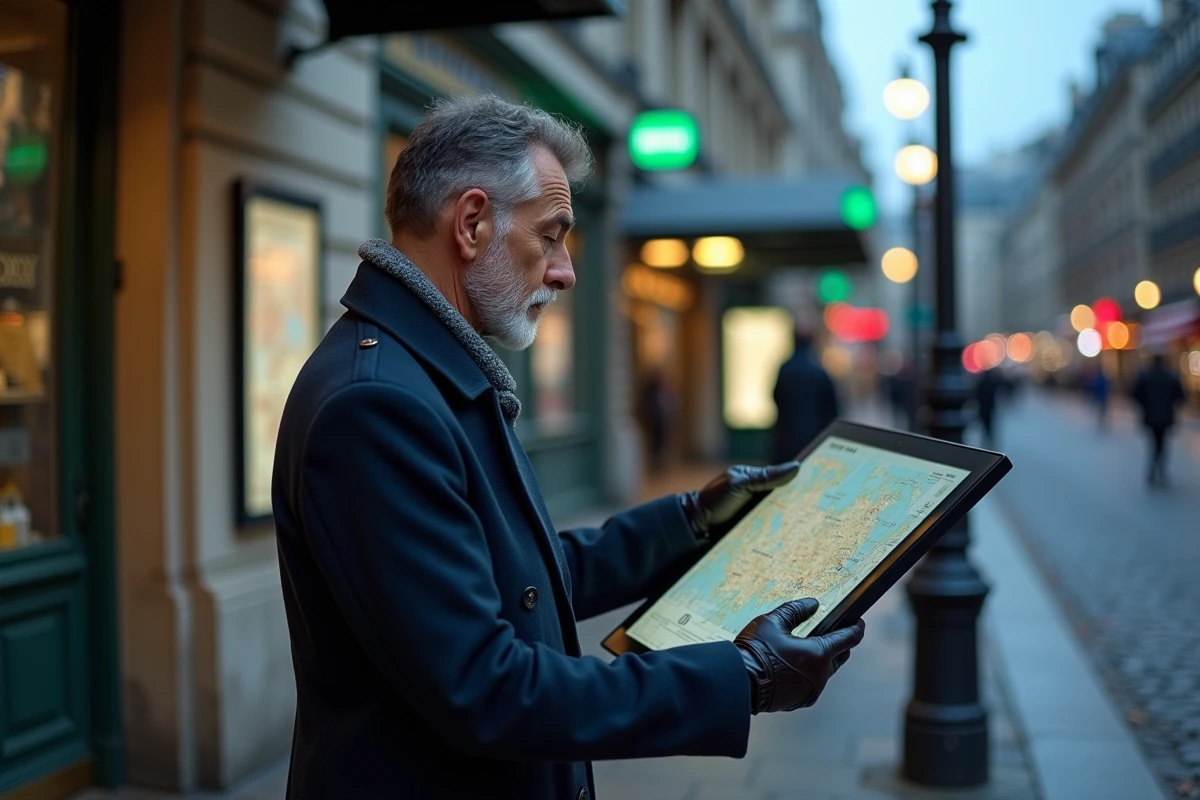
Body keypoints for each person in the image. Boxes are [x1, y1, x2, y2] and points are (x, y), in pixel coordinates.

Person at [271, 95, 866, 800]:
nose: (565, 271)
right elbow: (485, 686)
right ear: (471, 222)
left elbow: (524, 578)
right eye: (551, 235)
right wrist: (741, 677)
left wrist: (691, 520)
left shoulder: (424, 373)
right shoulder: (379, 403)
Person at [770, 325, 840, 463]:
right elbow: (832, 409)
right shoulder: (818, 371)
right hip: (813, 439)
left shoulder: (785, 369)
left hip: (786, 438)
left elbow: (775, 397)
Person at [1131, 353, 1186, 487]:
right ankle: (1159, 470)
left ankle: (1154, 470)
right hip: (1166, 416)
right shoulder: (1171, 377)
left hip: (1150, 417)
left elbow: (1135, 394)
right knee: (1162, 443)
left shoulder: (1145, 377)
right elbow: (1181, 396)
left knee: (1154, 443)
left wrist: (1145, 406)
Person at [974, 367, 1002, 449]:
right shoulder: (992, 382)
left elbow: (976, 395)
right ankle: (990, 440)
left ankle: (985, 441)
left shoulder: (981, 382)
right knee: (989, 425)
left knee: (984, 425)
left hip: (983, 407)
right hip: (989, 407)